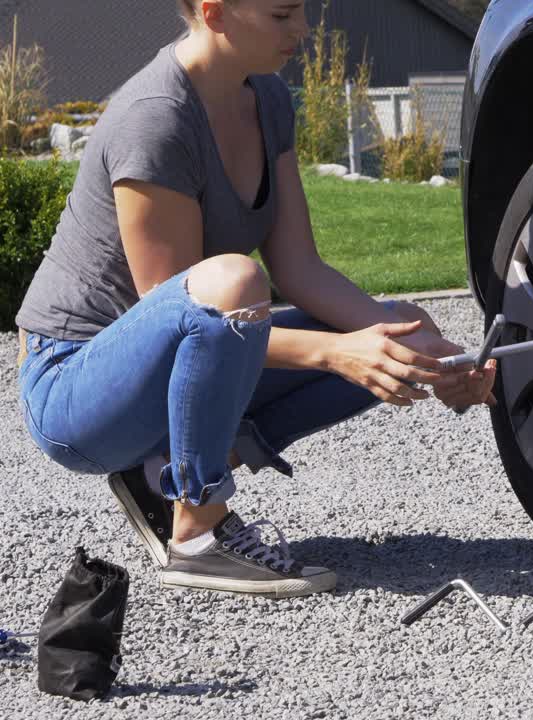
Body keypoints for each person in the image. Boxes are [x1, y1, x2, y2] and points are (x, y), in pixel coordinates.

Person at [13, 0, 496, 598]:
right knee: (239, 286)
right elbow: (187, 315)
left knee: (395, 327)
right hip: (76, 389)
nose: (302, 29)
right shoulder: (155, 119)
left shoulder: (266, 99)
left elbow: (300, 268)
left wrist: (433, 354)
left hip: (170, 366)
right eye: (281, 15)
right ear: (215, 13)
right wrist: (336, 353)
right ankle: (196, 535)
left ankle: (162, 476)